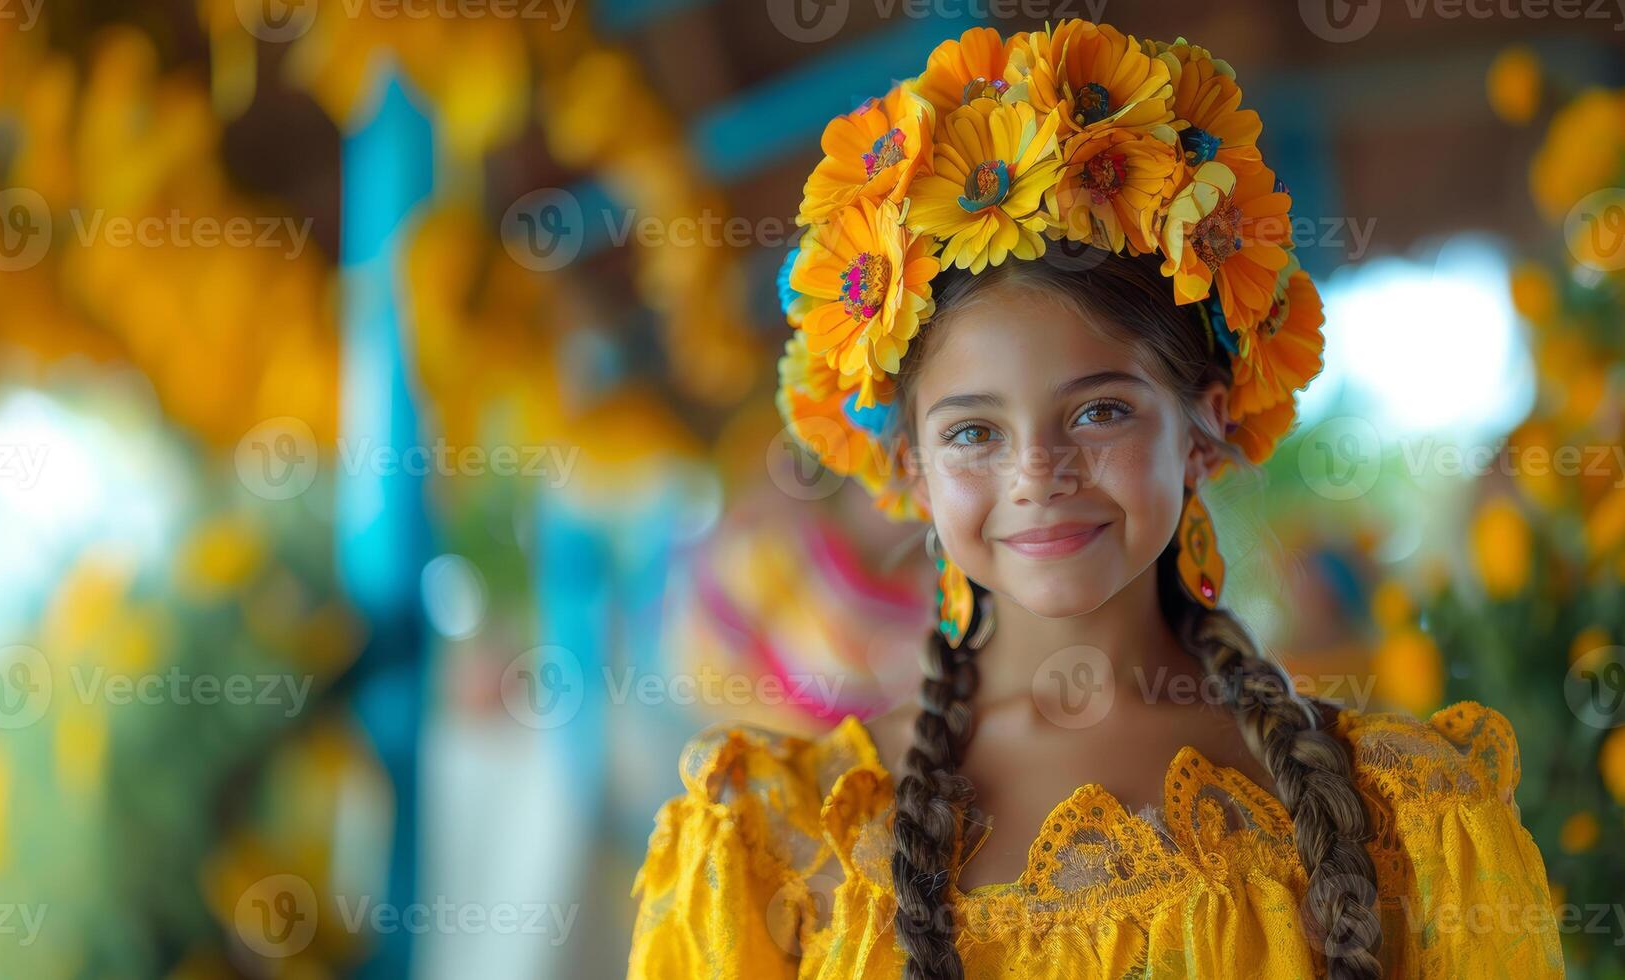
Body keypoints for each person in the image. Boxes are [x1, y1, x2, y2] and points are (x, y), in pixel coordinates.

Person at [626, 21, 1565, 979]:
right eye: (972, 432)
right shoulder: (778, 844)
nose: (1037, 473)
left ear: (1202, 429)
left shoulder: (1407, 819)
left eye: (1099, 412)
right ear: (910, 468)